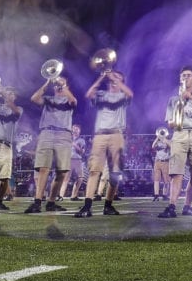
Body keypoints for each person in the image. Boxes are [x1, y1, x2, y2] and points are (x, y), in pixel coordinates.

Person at [75, 70, 133, 218]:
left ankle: (108, 205)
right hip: (100, 135)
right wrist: (101, 77)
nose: (114, 80)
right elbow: (88, 94)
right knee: (94, 170)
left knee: (114, 174)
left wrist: (115, 78)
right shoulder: (101, 95)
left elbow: (130, 94)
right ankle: (87, 206)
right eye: (113, 78)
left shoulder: (123, 95)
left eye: (119, 78)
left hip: (117, 134)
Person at [158, 66, 192, 218]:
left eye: (189, 76)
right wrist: (180, 109)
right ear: (180, 79)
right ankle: (171, 206)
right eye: (183, 76)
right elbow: (170, 123)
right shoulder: (173, 99)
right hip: (180, 134)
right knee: (176, 172)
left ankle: (187, 207)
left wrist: (191, 97)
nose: (186, 78)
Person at [25, 73, 78, 213]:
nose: (58, 85)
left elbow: (73, 101)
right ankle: (37, 202)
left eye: (61, 83)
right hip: (47, 133)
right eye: (57, 84)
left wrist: (63, 86)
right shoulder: (48, 99)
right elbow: (34, 98)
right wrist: (47, 83)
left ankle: (51, 202)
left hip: (64, 134)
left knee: (62, 171)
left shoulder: (68, 99)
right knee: (44, 168)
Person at [61, 124, 87, 201]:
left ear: (79, 131)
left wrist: (75, 145)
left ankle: (74, 195)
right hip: (68, 159)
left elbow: (82, 152)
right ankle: (60, 196)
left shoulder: (82, 140)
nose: (75, 130)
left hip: (77, 160)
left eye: (77, 129)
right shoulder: (67, 139)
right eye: (73, 129)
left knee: (80, 178)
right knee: (66, 178)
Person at [151, 128, 171, 202]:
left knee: (166, 180)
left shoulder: (168, 141)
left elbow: (171, 146)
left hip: (165, 162)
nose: (162, 134)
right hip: (157, 162)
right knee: (156, 179)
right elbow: (152, 146)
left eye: (163, 133)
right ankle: (156, 195)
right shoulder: (157, 142)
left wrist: (164, 139)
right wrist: (158, 137)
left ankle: (165, 195)